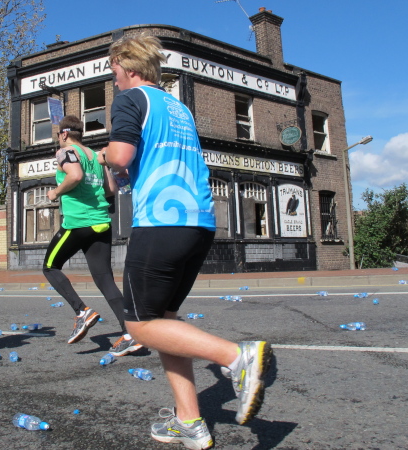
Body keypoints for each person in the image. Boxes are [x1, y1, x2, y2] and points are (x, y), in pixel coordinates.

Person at [98, 35, 273, 449]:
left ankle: (237, 357)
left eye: (113, 69)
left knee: (139, 325)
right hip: (199, 222)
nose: (113, 77)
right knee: (166, 321)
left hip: (162, 221)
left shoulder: (130, 99)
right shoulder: (178, 108)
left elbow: (120, 157)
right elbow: (139, 165)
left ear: (128, 66)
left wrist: (101, 155)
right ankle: (189, 421)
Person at [43, 115, 142, 356]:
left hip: (78, 223)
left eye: (58, 135)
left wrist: (55, 192)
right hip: (101, 224)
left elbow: (75, 176)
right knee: (105, 279)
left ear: (64, 134)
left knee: (50, 267)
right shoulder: (96, 157)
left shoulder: (66, 152)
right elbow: (111, 189)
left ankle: (82, 311)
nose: (58, 139)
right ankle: (130, 333)